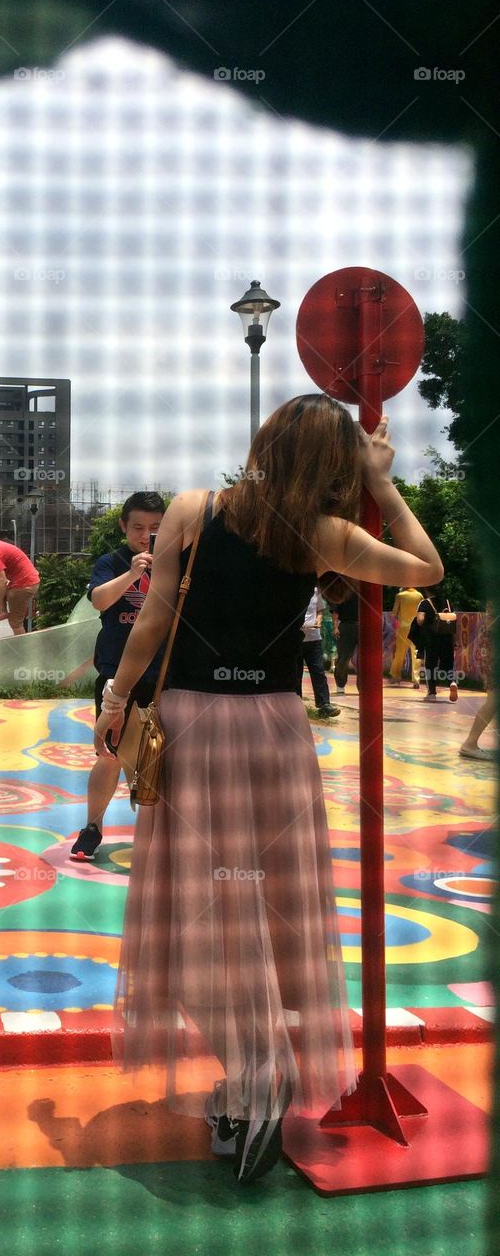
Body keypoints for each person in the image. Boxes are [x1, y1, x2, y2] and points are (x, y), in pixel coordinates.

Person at [93, 397, 442, 1184]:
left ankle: (252, 1074)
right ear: (334, 466)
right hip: (275, 733)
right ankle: (258, 1076)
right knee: (270, 910)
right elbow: (426, 569)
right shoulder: (322, 535)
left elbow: (150, 625)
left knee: (187, 916)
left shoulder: (193, 509)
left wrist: (116, 703)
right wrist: (382, 487)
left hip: (191, 723)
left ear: (263, 441)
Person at [70, 491, 166, 861]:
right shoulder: (111, 562)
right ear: (124, 526)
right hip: (115, 676)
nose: (146, 535)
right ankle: (92, 828)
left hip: (163, 675)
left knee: (158, 757)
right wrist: (134, 572)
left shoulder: (177, 562)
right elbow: (99, 601)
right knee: (109, 754)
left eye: (156, 528)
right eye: (139, 527)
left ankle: (158, 833)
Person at [298, 587, 341, 718]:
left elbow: (320, 610)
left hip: (314, 638)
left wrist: (319, 620)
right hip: (296, 638)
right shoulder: (292, 589)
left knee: (318, 672)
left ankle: (324, 705)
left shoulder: (316, 591)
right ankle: (296, 705)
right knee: (295, 673)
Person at [460, 604, 496, 758]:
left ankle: (470, 743)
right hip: (493, 653)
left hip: (491, 651)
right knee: (494, 700)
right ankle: (470, 743)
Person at [416, 585, 458, 702]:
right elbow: (453, 621)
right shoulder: (448, 603)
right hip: (447, 639)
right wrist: (454, 641)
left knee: (430, 666)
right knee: (448, 664)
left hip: (431, 640)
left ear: (426, 590)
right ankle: (452, 682)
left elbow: (420, 620)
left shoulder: (425, 603)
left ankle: (432, 693)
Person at [387, 585, 423, 687]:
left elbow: (394, 613)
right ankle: (416, 680)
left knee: (400, 652)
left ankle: (396, 676)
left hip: (403, 627)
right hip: (416, 628)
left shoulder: (400, 595)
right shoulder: (419, 595)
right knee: (416, 653)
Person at [330, 584, 360, 696]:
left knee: (364, 659)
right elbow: (335, 610)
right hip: (347, 625)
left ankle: (363, 686)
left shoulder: (364, 588)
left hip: (363, 625)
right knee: (344, 657)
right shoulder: (342, 589)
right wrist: (335, 627)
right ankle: (340, 684)